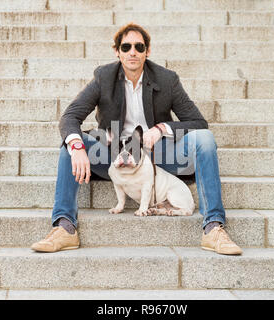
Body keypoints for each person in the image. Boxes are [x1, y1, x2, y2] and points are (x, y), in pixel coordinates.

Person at [31, 23, 242, 255]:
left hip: (158, 155)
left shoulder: (167, 79)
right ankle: (64, 227)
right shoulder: (104, 77)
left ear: (147, 51)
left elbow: (198, 122)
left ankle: (213, 226)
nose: (133, 51)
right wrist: (78, 145)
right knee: (70, 145)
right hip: (113, 153)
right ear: (117, 51)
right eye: (126, 46)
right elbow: (70, 116)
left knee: (205, 139)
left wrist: (162, 128)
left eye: (139, 47)